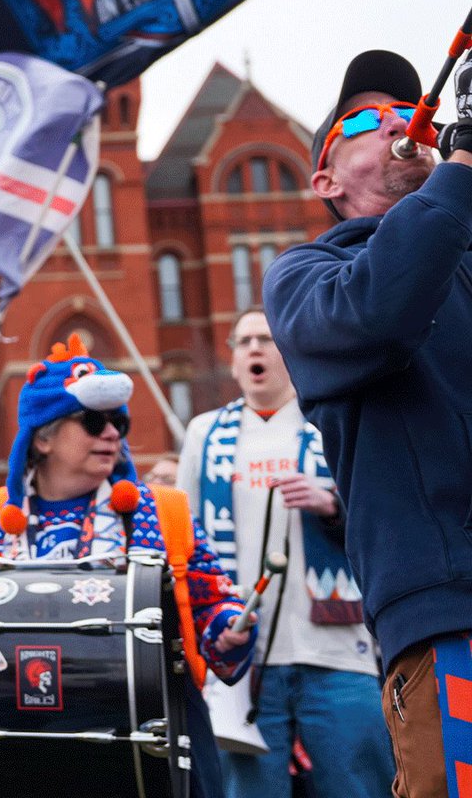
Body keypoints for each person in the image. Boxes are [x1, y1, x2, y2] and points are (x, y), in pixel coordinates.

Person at [0, 335, 258, 798]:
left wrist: (231, 626)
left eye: (118, 422)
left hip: (149, 743)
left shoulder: (164, 511)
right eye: (92, 421)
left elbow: (214, 603)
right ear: (42, 437)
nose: (111, 433)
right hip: (20, 744)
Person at [262, 48, 472, 798]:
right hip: (452, 613)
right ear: (325, 180)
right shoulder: (305, 276)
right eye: (364, 118)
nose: (396, 120)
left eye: (406, 109)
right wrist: (461, 168)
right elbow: (381, 313)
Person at [177, 306, 393, 798]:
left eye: (267, 339)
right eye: (244, 341)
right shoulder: (204, 434)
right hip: (242, 658)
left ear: (289, 352)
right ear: (233, 362)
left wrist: (331, 504)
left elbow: (384, 517)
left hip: (337, 648)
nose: (255, 348)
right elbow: (185, 541)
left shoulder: (331, 424)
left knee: (362, 785)